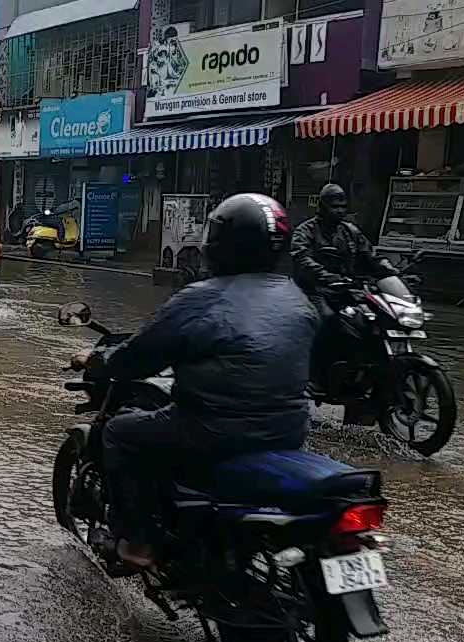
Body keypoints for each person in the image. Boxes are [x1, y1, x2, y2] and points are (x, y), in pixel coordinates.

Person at [71, 194, 319, 569]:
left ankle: (137, 543)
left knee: (121, 433)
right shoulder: (296, 298)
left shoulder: (200, 299)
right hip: (288, 430)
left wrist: (97, 360)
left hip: (211, 429)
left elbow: (138, 357)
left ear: (219, 244)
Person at [290, 183, 398, 388]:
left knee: (374, 320)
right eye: (334, 206)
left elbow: (371, 256)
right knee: (328, 319)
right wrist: (326, 276)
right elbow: (302, 259)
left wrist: (392, 272)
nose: (339, 210)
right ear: (322, 207)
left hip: (347, 289)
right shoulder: (305, 231)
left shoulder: (350, 231)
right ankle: (316, 375)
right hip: (314, 290)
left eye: (342, 206)